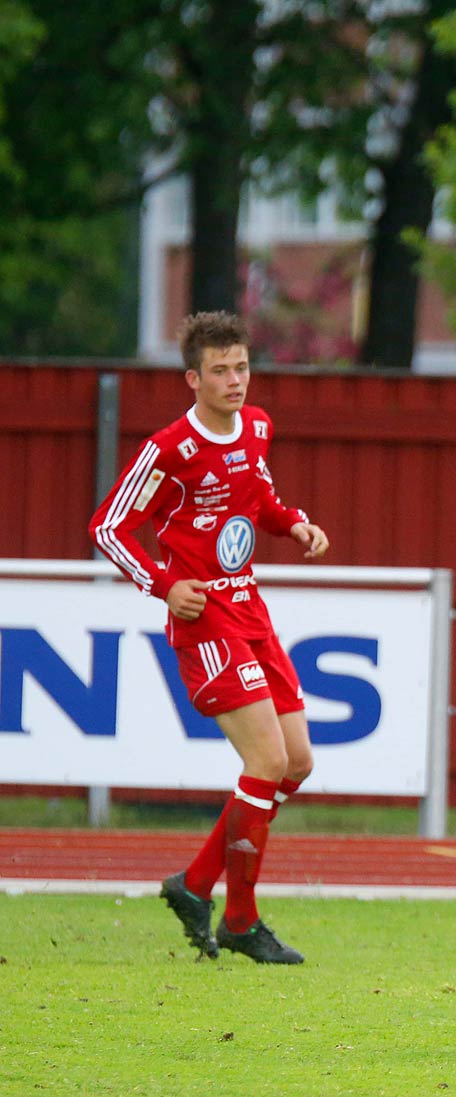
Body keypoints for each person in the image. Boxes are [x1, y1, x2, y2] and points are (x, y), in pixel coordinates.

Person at [90, 311, 330, 965]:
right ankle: (241, 919)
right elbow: (108, 526)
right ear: (193, 378)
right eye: (220, 370)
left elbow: (260, 498)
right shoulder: (169, 448)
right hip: (205, 622)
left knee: (298, 761)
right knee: (268, 763)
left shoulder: (257, 426)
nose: (235, 380)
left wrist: (296, 525)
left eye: (242, 367)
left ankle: (195, 884)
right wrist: (164, 585)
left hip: (249, 606)